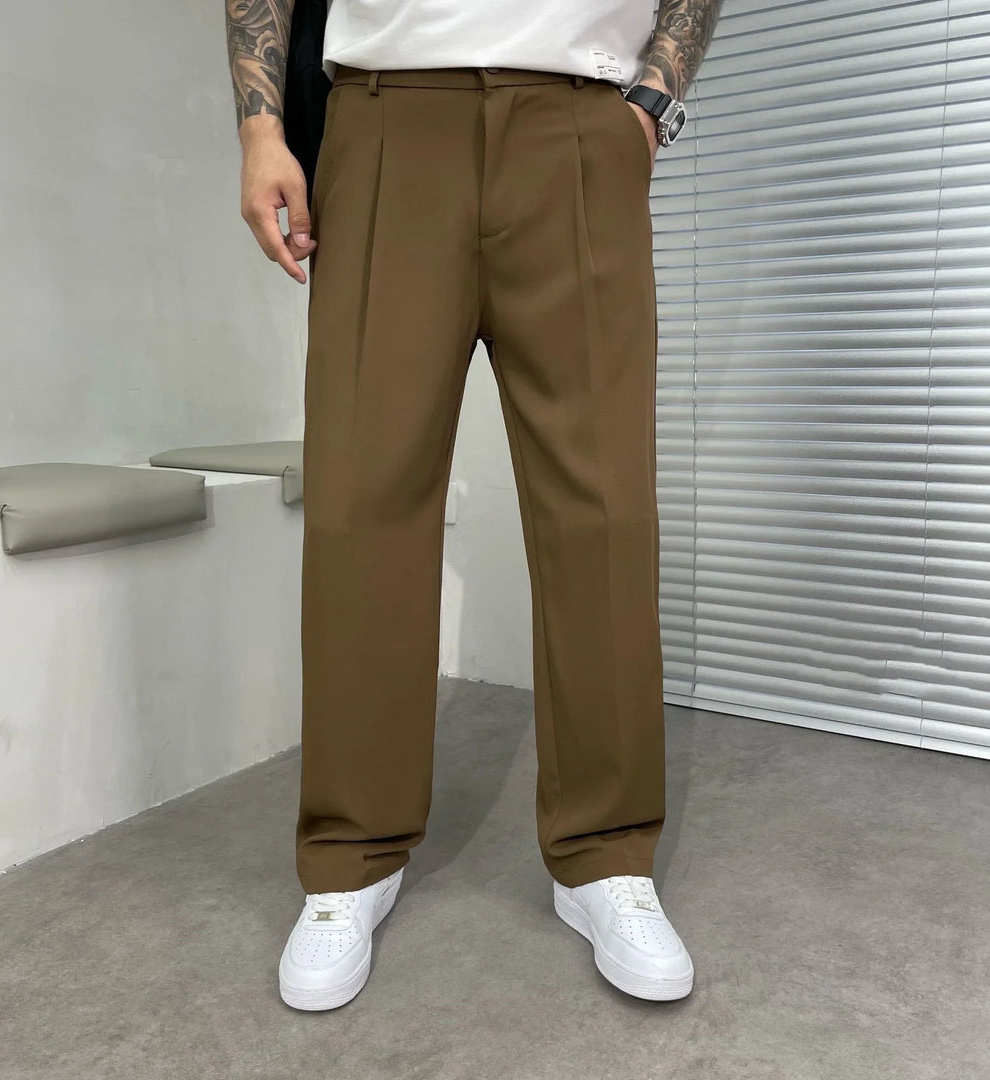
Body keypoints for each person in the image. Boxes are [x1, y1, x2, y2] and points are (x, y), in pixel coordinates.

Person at [225, 0, 723, 1010]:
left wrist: (649, 104)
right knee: (362, 500)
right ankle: (350, 858)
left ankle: (605, 854)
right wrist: (261, 128)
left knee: (604, 509)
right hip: (385, 120)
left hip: (580, 122)